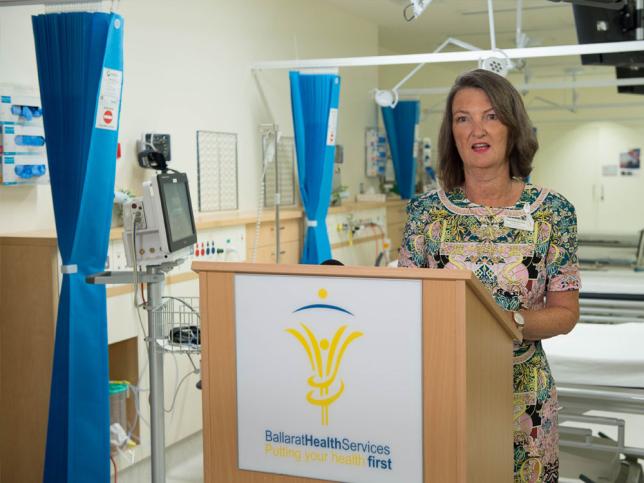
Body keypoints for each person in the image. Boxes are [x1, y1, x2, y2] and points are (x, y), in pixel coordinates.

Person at [398, 69, 580, 482]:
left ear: (512, 127)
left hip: (524, 395)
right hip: (445, 390)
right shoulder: (426, 214)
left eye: (491, 116)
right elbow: (405, 305)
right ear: (452, 133)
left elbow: (566, 312)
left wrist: (503, 322)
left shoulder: (553, 213)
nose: (477, 129)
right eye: (463, 118)